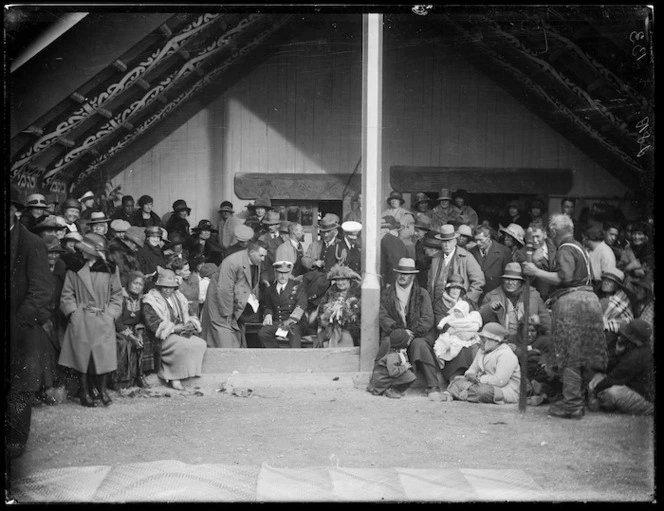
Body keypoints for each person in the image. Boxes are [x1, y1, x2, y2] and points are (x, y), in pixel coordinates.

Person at [522, 214, 607, 419]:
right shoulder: (579, 247)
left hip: (572, 303)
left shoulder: (565, 248)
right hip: (590, 301)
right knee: (585, 355)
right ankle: (585, 398)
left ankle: (572, 404)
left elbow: (564, 277)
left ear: (552, 232)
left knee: (568, 355)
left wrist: (536, 271)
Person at [8, 185, 55, 459]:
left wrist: (18, 321)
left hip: (21, 330)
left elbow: (41, 291)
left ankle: (15, 442)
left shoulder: (32, 244)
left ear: (15, 211)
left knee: (19, 391)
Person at [59, 233, 124, 407]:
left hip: (103, 316)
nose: (81, 251)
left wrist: (111, 314)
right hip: (81, 318)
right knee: (82, 358)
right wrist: (73, 313)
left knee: (103, 357)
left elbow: (117, 295)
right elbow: (67, 294)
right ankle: (84, 391)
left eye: (85, 249)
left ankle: (102, 391)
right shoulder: (74, 268)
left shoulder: (110, 269)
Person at [377, 258, 443, 401]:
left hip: (418, 333)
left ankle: (433, 385)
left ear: (412, 276)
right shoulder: (388, 293)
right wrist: (401, 332)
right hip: (395, 333)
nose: (403, 277)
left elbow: (427, 318)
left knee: (419, 344)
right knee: (388, 344)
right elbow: (383, 316)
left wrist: (411, 332)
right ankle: (389, 385)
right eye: (400, 273)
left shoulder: (422, 293)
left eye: (406, 274)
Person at [142, 267, 207, 390]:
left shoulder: (179, 297)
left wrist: (190, 324)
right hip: (161, 336)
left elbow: (191, 314)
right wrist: (173, 329)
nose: (168, 290)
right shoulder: (150, 300)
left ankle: (188, 373)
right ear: (159, 286)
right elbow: (153, 325)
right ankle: (173, 376)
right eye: (165, 287)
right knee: (182, 345)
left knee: (200, 343)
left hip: (180, 331)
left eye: (171, 287)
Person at [201, 240, 268, 348]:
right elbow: (224, 290)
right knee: (223, 341)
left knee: (235, 339)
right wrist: (228, 315)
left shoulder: (255, 262)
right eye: (261, 255)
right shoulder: (232, 262)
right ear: (251, 252)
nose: (263, 259)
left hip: (234, 307)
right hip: (221, 308)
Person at [588, 319, 653, 416]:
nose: (622, 335)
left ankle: (648, 409)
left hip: (645, 399)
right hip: (633, 387)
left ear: (635, 338)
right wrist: (617, 353)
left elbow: (614, 378)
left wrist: (594, 391)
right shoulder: (639, 347)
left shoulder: (637, 356)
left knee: (608, 394)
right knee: (600, 380)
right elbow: (613, 371)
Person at [447, 323, 521, 404]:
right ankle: (467, 394)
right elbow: (472, 369)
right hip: (480, 384)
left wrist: (479, 379)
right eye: (480, 338)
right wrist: (470, 375)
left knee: (483, 392)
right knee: (456, 381)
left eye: (484, 339)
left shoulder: (506, 354)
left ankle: (459, 393)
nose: (480, 341)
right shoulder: (482, 350)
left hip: (503, 390)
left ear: (495, 341)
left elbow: (500, 381)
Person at [479, 262, 551, 342]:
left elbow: (545, 319)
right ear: (503, 280)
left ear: (520, 282)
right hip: (502, 341)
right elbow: (481, 320)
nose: (510, 283)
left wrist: (549, 336)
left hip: (528, 341)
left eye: (514, 280)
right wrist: (490, 308)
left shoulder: (533, 295)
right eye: (507, 279)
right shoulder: (492, 296)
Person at [427, 224, 485, 317]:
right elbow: (430, 283)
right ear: (440, 242)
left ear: (455, 241)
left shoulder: (466, 257)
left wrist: (466, 301)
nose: (446, 245)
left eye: (449, 241)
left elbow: (479, 281)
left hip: (459, 308)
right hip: (437, 307)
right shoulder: (435, 258)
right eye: (444, 241)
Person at [258, 261, 308, 348]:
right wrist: (268, 314)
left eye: (286, 273)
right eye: (280, 272)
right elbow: (268, 306)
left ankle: (294, 359)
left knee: (293, 331)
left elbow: (301, 304)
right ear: (275, 272)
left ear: (289, 273)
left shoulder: (297, 286)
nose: (283, 276)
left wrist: (291, 320)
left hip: (295, 322)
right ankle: (276, 355)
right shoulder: (270, 289)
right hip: (278, 322)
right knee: (263, 333)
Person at [113, 272, 150, 389]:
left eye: (140, 284)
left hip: (135, 328)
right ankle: (121, 380)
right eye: (135, 283)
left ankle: (139, 375)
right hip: (118, 330)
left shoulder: (142, 299)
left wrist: (138, 333)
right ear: (129, 283)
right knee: (124, 343)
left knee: (144, 340)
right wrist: (131, 336)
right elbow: (117, 322)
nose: (137, 286)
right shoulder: (121, 298)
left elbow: (143, 320)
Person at [316, 264, 362, 347]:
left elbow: (359, 313)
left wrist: (344, 314)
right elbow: (321, 310)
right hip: (330, 327)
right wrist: (326, 316)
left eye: (343, 279)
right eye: (337, 280)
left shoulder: (358, 292)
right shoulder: (331, 290)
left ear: (349, 280)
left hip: (352, 328)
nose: (340, 283)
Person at [433, 300, 482, 371]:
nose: (455, 290)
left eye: (457, 288)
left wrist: (470, 333)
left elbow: (474, 326)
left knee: (472, 349)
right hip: (451, 334)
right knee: (446, 345)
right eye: (455, 311)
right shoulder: (440, 305)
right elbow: (442, 320)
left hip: (467, 336)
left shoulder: (468, 312)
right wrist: (444, 326)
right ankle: (443, 359)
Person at [366, 329, 417, 399]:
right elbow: (393, 372)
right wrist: (404, 367)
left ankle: (389, 389)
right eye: (408, 339)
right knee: (410, 377)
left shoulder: (399, 352)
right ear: (403, 342)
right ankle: (392, 391)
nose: (409, 341)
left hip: (385, 377)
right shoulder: (393, 356)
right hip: (382, 379)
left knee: (409, 374)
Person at [514, 222, 558, 301]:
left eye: (537, 236)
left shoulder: (556, 248)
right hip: (535, 298)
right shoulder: (521, 253)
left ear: (544, 235)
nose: (535, 240)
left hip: (556, 295)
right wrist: (533, 261)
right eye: (531, 237)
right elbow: (524, 279)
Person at [469, 224, 512, 302]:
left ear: (488, 237)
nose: (478, 243)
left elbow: (507, 277)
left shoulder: (504, 252)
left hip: (496, 296)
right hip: (476, 296)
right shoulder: (471, 252)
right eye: (476, 240)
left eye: (481, 240)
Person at [617, 221, 654, 294]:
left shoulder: (650, 251)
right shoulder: (628, 249)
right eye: (634, 234)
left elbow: (644, 273)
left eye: (640, 234)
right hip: (628, 287)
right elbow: (621, 268)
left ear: (646, 236)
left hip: (646, 289)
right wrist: (630, 267)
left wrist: (633, 267)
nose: (636, 237)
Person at [380, 215, 408, 288]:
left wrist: (390, 282)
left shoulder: (389, 240)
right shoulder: (392, 240)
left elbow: (395, 262)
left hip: (392, 282)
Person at [258, 211, 285, 285]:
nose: (269, 227)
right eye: (268, 225)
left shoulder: (284, 239)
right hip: (270, 278)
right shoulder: (263, 240)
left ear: (278, 225)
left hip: (285, 275)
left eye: (272, 225)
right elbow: (262, 264)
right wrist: (264, 279)